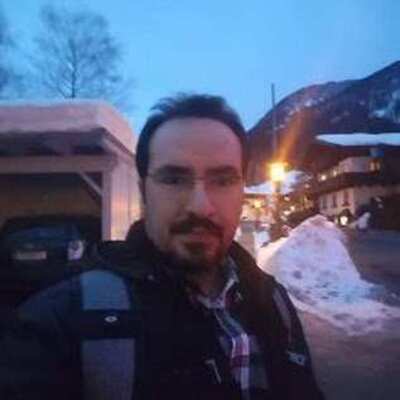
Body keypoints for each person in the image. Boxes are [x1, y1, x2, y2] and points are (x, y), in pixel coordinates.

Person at [0, 94, 324, 400]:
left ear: (242, 190)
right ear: (143, 191)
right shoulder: (64, 321)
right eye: (174, 179)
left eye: (223, 180)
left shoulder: (273, 302)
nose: (200, 206)